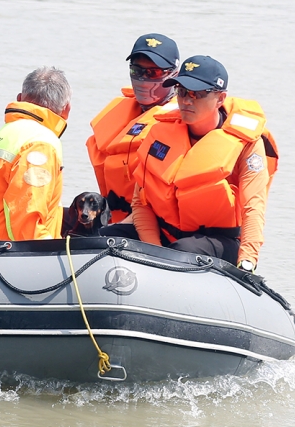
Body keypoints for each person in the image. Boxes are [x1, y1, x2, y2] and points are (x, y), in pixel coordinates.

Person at [128, 55, 279, 271]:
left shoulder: (247, 145)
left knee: (183, 249)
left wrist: (248, 260)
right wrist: (154, 249)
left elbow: (253, 206)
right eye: (181, 92)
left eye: (197, 94)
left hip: (219, 240)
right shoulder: (160, 133)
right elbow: (140, 201)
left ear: (220, 99)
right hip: (166, 233)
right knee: (104, 237)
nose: (186, 101)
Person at [87, 33, 180, 225]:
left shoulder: (185, 119)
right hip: (116, 220)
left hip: (159, 227)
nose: (143, 79)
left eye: (153, 73)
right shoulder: (121, 115)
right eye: (136, 71)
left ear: (174, 75)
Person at [0, 66, 71, 241]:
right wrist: (53, 256)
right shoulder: (41, 142)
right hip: (13, 258)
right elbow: (28, 219)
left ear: (20, 99)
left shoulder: (1, 135)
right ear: (66, 110)